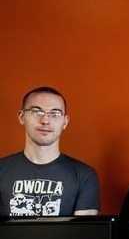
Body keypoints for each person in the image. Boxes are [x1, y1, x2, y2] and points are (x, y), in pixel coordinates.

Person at [0, 86, 99, 217]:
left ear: (65, 122)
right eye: (37, 112)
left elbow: (83, 229)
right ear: (21, 117)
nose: (45, 121)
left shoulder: (84, 176)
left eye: (55, 114)